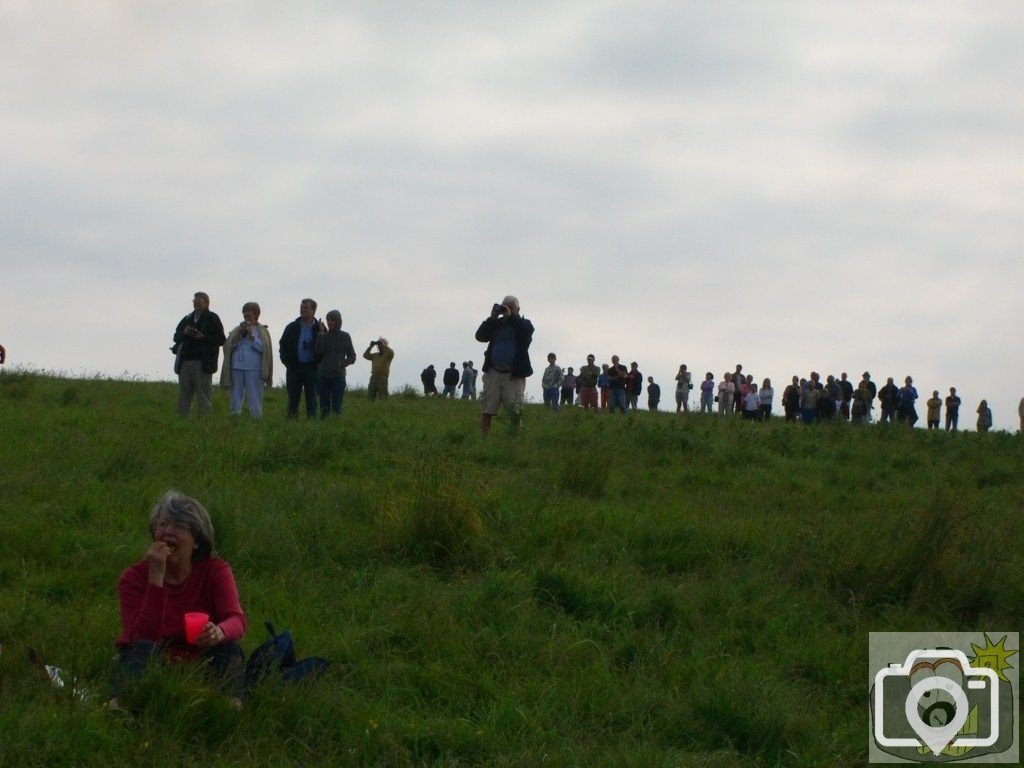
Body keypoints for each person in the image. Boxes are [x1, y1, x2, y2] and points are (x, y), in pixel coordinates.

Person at [110, 491, 246, 710]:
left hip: (201, 659)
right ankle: (121, 707)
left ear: (196, 541)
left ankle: (226, 709)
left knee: (229, 648)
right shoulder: (134, 577)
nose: (167, 532)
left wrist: (219, 631)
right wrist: (156, 577)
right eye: (162, 524)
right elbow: (141, 637)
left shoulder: (215, 571)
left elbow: (236, 620)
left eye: (179, 526)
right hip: (154, 656)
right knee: (142, 648)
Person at [475, 295, 534, 436]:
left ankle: (514, 440)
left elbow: (526, 336)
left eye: (511, 307)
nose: (507, 309)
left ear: (518, 309)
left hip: (513, 376)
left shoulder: (524, 324)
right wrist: (492, 318)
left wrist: (512, 318)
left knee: (515, 411)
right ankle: (483, 439)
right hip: (493, 373)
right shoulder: (497, 323)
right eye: (504, 306)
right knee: (487, 409)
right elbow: (480, 336)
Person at [173, 292, 226, 418]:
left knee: (203, 394)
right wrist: (184, 332)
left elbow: (221, 339)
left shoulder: (212, 318)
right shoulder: (187, 318)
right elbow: (176, 337)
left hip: (203, 363)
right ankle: (182, 421)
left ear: (206, 303)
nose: (196, 303)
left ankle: (204, 421)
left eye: (199, 301)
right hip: (185, 362)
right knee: (184, 393)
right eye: (194, 301)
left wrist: (203, 337)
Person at [219, 302, 273, 418]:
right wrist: (238, 334)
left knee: (254, 395)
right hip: (236, 367)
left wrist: (252, 336)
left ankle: (256, 417)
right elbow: (228, 348)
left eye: (249, 311)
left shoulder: (262, 331)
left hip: (254, 368)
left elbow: (265, 350)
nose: (246, 314)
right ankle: (234, 416)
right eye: (245, 311)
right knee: (235, 395)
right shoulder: (236, 329)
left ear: (256, 314)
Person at [279, 298, 321, 419]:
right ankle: (291, 424)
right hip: (294, 368)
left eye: (306, 308)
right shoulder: (292, 327)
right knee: (293, 398)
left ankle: (312, 423)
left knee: (312, 398)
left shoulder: (319, 328)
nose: (302, 310)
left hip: (312, 368)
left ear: (313, 310)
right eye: (301, 307)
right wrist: (287, 361)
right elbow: (282, 345)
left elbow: (324, 348)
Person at [314, 310, 357, 418]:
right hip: (323, 376)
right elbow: (317, 352)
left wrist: (342, 363)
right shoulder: (323, 336)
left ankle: (335, 426)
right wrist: (320, 334)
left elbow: (352, 356)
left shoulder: (345, 336)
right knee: (323, 407)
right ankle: (324, 428)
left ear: (338, 321)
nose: (329, 322)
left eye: (332, 320)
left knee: (337, 406)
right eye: (328, 320)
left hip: (338, 376)